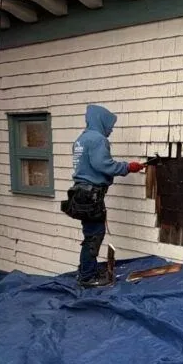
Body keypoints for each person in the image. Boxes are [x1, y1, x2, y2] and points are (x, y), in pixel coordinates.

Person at [63, 105, 145, 288]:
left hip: (80, 194)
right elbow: (104, 165)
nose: (111, 129)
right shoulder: (98, 139)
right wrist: (127, 167)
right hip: (90, 195)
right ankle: (87, 277)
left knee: (90, 234)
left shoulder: (81, 139)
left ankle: (86, 269)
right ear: (101, 121)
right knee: (94, 236)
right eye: (110, 124)